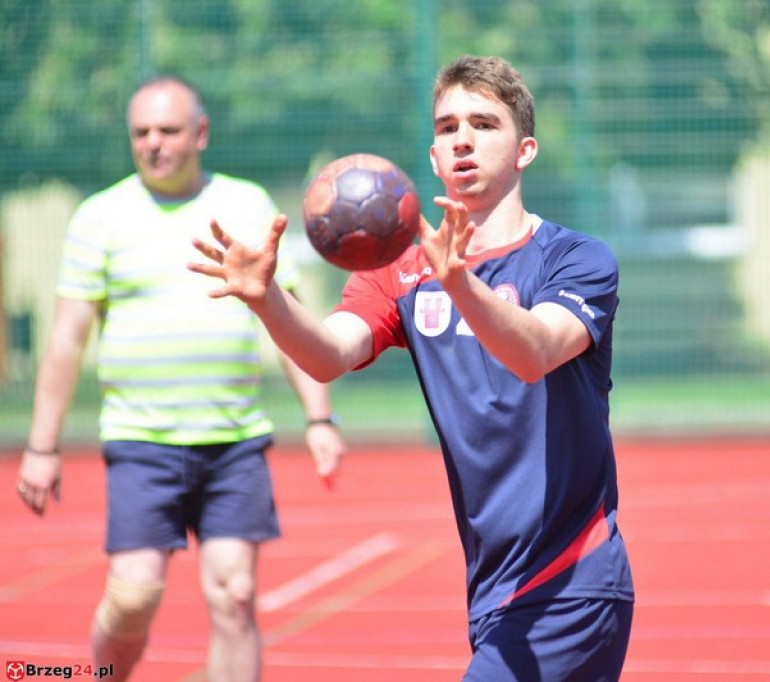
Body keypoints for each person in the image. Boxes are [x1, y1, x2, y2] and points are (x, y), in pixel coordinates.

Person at [191, 55, 634, 680]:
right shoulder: (400, 271)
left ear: (525, 149)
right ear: (431, 157)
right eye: (448, 126)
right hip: (493, 588)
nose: (463, 140)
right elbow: (326, 355)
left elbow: (533, 353)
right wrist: (268, 300)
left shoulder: (576, 259)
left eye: (484, 123)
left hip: (572, 578)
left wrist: (458, 281)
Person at [14, 76, 347, 682]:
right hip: (141, 443)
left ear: (200, 133)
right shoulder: (100, 216)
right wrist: (41, 445)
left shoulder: (246, 205)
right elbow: (65, 341)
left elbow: (292, 319)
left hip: (234, 441)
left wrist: (320, 418)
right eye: (140, 132)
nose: (153, 144)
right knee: (133, 598)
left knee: (235, 595)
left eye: (167, 131)